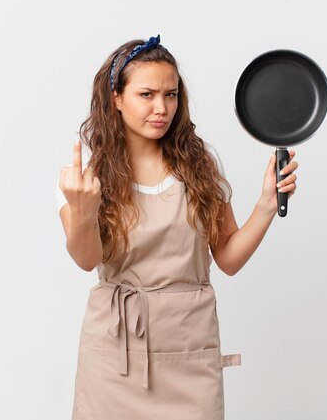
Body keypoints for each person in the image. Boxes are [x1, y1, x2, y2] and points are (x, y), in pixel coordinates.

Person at [56, 34, 298, 420]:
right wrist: (82, 210)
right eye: (147, 94)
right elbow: (87, 260)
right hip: (114, 357)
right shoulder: (85, 175)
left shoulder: (199, 163)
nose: (162, 107)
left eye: (171, 95)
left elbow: (229, 259)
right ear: (116, 98)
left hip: (189, 347)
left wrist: (266, 204)